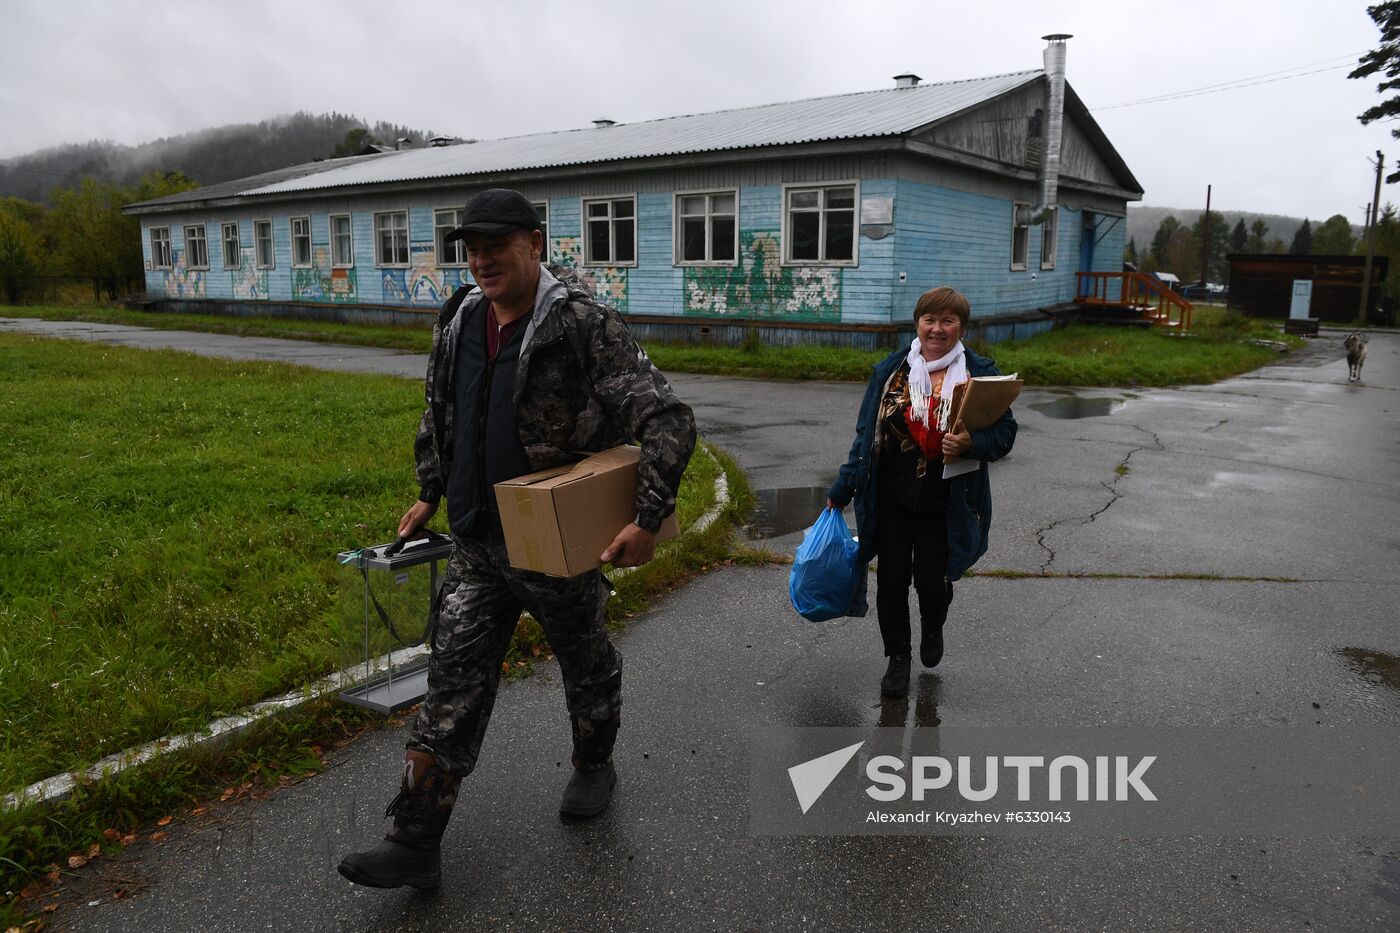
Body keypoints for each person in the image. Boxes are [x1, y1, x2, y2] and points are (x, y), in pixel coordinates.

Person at [339, 189, 696, 890]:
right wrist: (428, 489)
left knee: (583, 658)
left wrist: (646, 518)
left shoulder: (580, 322)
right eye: (470, 249)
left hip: (553, 542)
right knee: (452, 682)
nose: (481, 260)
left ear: (535, 242)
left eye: (496, 246)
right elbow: (441, 409)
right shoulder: (461, 317)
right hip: (476, 539)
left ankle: (595, 761)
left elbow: (668, 419)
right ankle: (414, 839)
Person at [826, 286, 1016, 699]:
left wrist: (971, 444)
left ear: (961, 327)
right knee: (891, 582)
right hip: (891, 498)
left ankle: (934, 622)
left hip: (945, 502)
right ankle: (898, 659)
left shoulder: (978, 374)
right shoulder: (891, 372)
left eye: (948, 321)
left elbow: (1005, 433)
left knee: (931, 582)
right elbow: (865, 438)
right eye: (930, 320)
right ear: (918, 324)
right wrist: (842, 489)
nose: (937, 329)